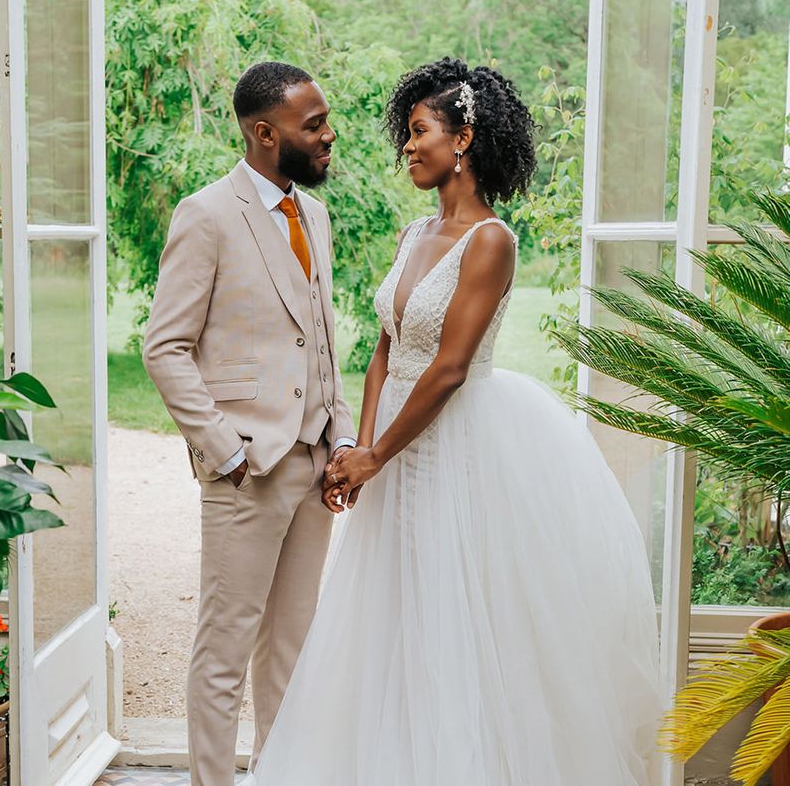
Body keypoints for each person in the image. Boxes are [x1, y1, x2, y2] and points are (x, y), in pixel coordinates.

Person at [244, 57, 660, 785]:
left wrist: (378, 456)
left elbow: (448, 369)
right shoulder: (413, 234)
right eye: (407, 133)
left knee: (453, 619)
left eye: (419, 131)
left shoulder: (491, 241)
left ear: (463, 139)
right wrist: (361, 450)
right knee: (389, 621)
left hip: (459, 449)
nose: (407, 146)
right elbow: (385, 352)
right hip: (393, 454)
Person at [142, 61, 356, 786]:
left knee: (291, 646)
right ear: (265, 134)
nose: (329, 135)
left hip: (314, 465)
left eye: (325, 120)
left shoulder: (315, 215)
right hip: (246, 470)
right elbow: (163, 347)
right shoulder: (206, 215)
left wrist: (342, 438)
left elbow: (323, 339)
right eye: (313, 125)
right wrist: (226, 452)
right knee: (224, 650)